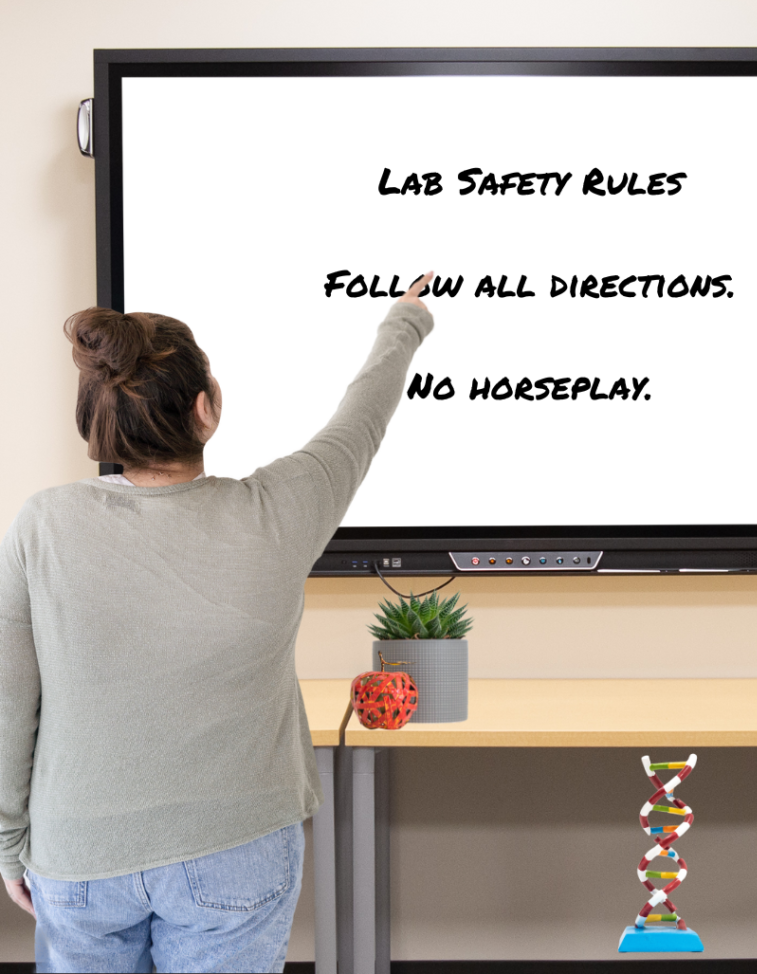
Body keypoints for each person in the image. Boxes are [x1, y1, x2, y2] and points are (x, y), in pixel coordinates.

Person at [0, 274, 434, 973]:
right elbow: (363, 418)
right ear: (207, 407)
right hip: (238, 851)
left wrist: (7, 842)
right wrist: (404, 321)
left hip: (78, 858)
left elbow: (8, 703)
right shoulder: (280, 510)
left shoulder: (41, 524)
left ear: (97, 420)